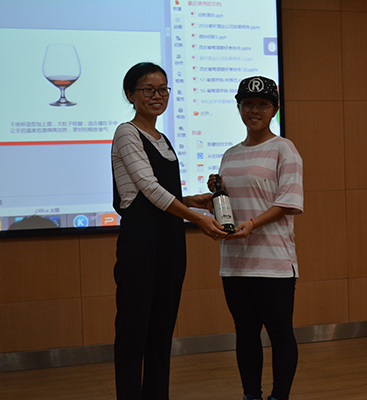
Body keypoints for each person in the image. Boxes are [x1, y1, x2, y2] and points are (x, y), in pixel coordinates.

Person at [111, 62, 227, 400]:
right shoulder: (127, 133)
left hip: (171, 243)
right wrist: (196, 218)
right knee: (134, 331)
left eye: (163, 89)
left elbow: (161, 193)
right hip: (140, 243)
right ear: (130, 95)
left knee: (161, 332)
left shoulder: (162, 139)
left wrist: (194, 201)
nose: (157, 96)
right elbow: (148, 189)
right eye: (148, 89)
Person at [207, 76, 304, 400]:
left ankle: (279, 396)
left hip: (273, 262)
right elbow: (231, 204)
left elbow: (288, 202)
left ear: (274, 109)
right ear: (239, 107)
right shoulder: (230, 155)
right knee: (245, 334)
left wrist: (251, 224)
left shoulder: (284, 149)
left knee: (280, 333)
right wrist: (213, 195)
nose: (254, 110)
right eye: (247, 104)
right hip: (235, 262)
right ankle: (251, 395)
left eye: (263, 104)